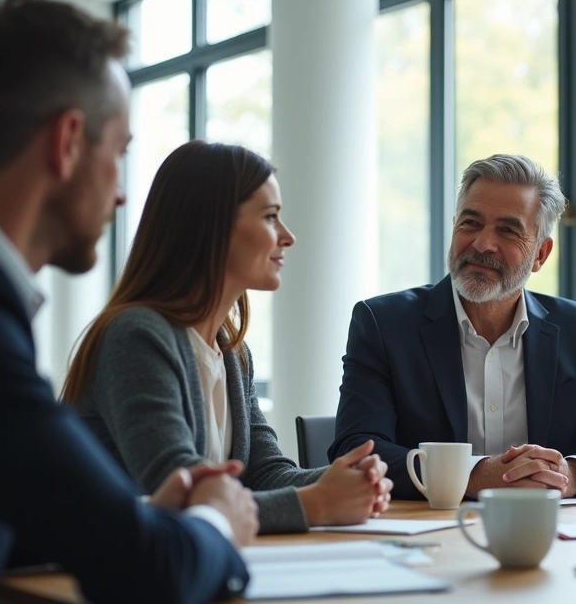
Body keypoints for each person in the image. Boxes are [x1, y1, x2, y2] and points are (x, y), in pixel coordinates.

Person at [0, 0, 258, 603]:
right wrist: (217, 521)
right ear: (67, 141)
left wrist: (138, 514)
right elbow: (147, 573)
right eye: (118, 153)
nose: (123, 196)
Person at [63, 140, 392, 534]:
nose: (288, 237)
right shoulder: (136, 337)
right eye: (270, 217)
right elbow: (180, 495)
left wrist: (341, 481)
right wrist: (317, 503)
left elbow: (265, 471)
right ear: (211, 226)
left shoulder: (232, 351)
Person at [331, 154, 576, 500]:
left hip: (549, 537)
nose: (483, 244)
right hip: (427, 537)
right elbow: (356, 452)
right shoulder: (383, 324)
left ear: (541, 255)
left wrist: (569, 474)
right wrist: (474, 476)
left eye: (508, 230)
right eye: (470, 223)